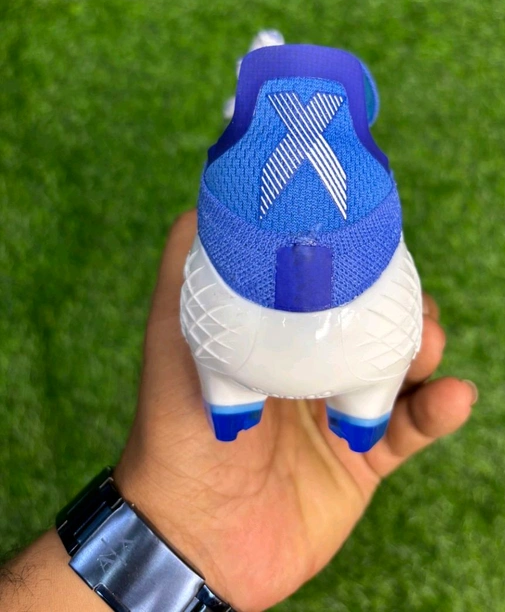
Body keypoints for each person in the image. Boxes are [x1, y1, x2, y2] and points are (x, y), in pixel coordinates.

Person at [0, 211, 477, 612]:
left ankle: (257, 404)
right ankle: (356, 411)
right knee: (381, 357)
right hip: (350, 331)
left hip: (247, 333)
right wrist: (183, 532)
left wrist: (177, 536)